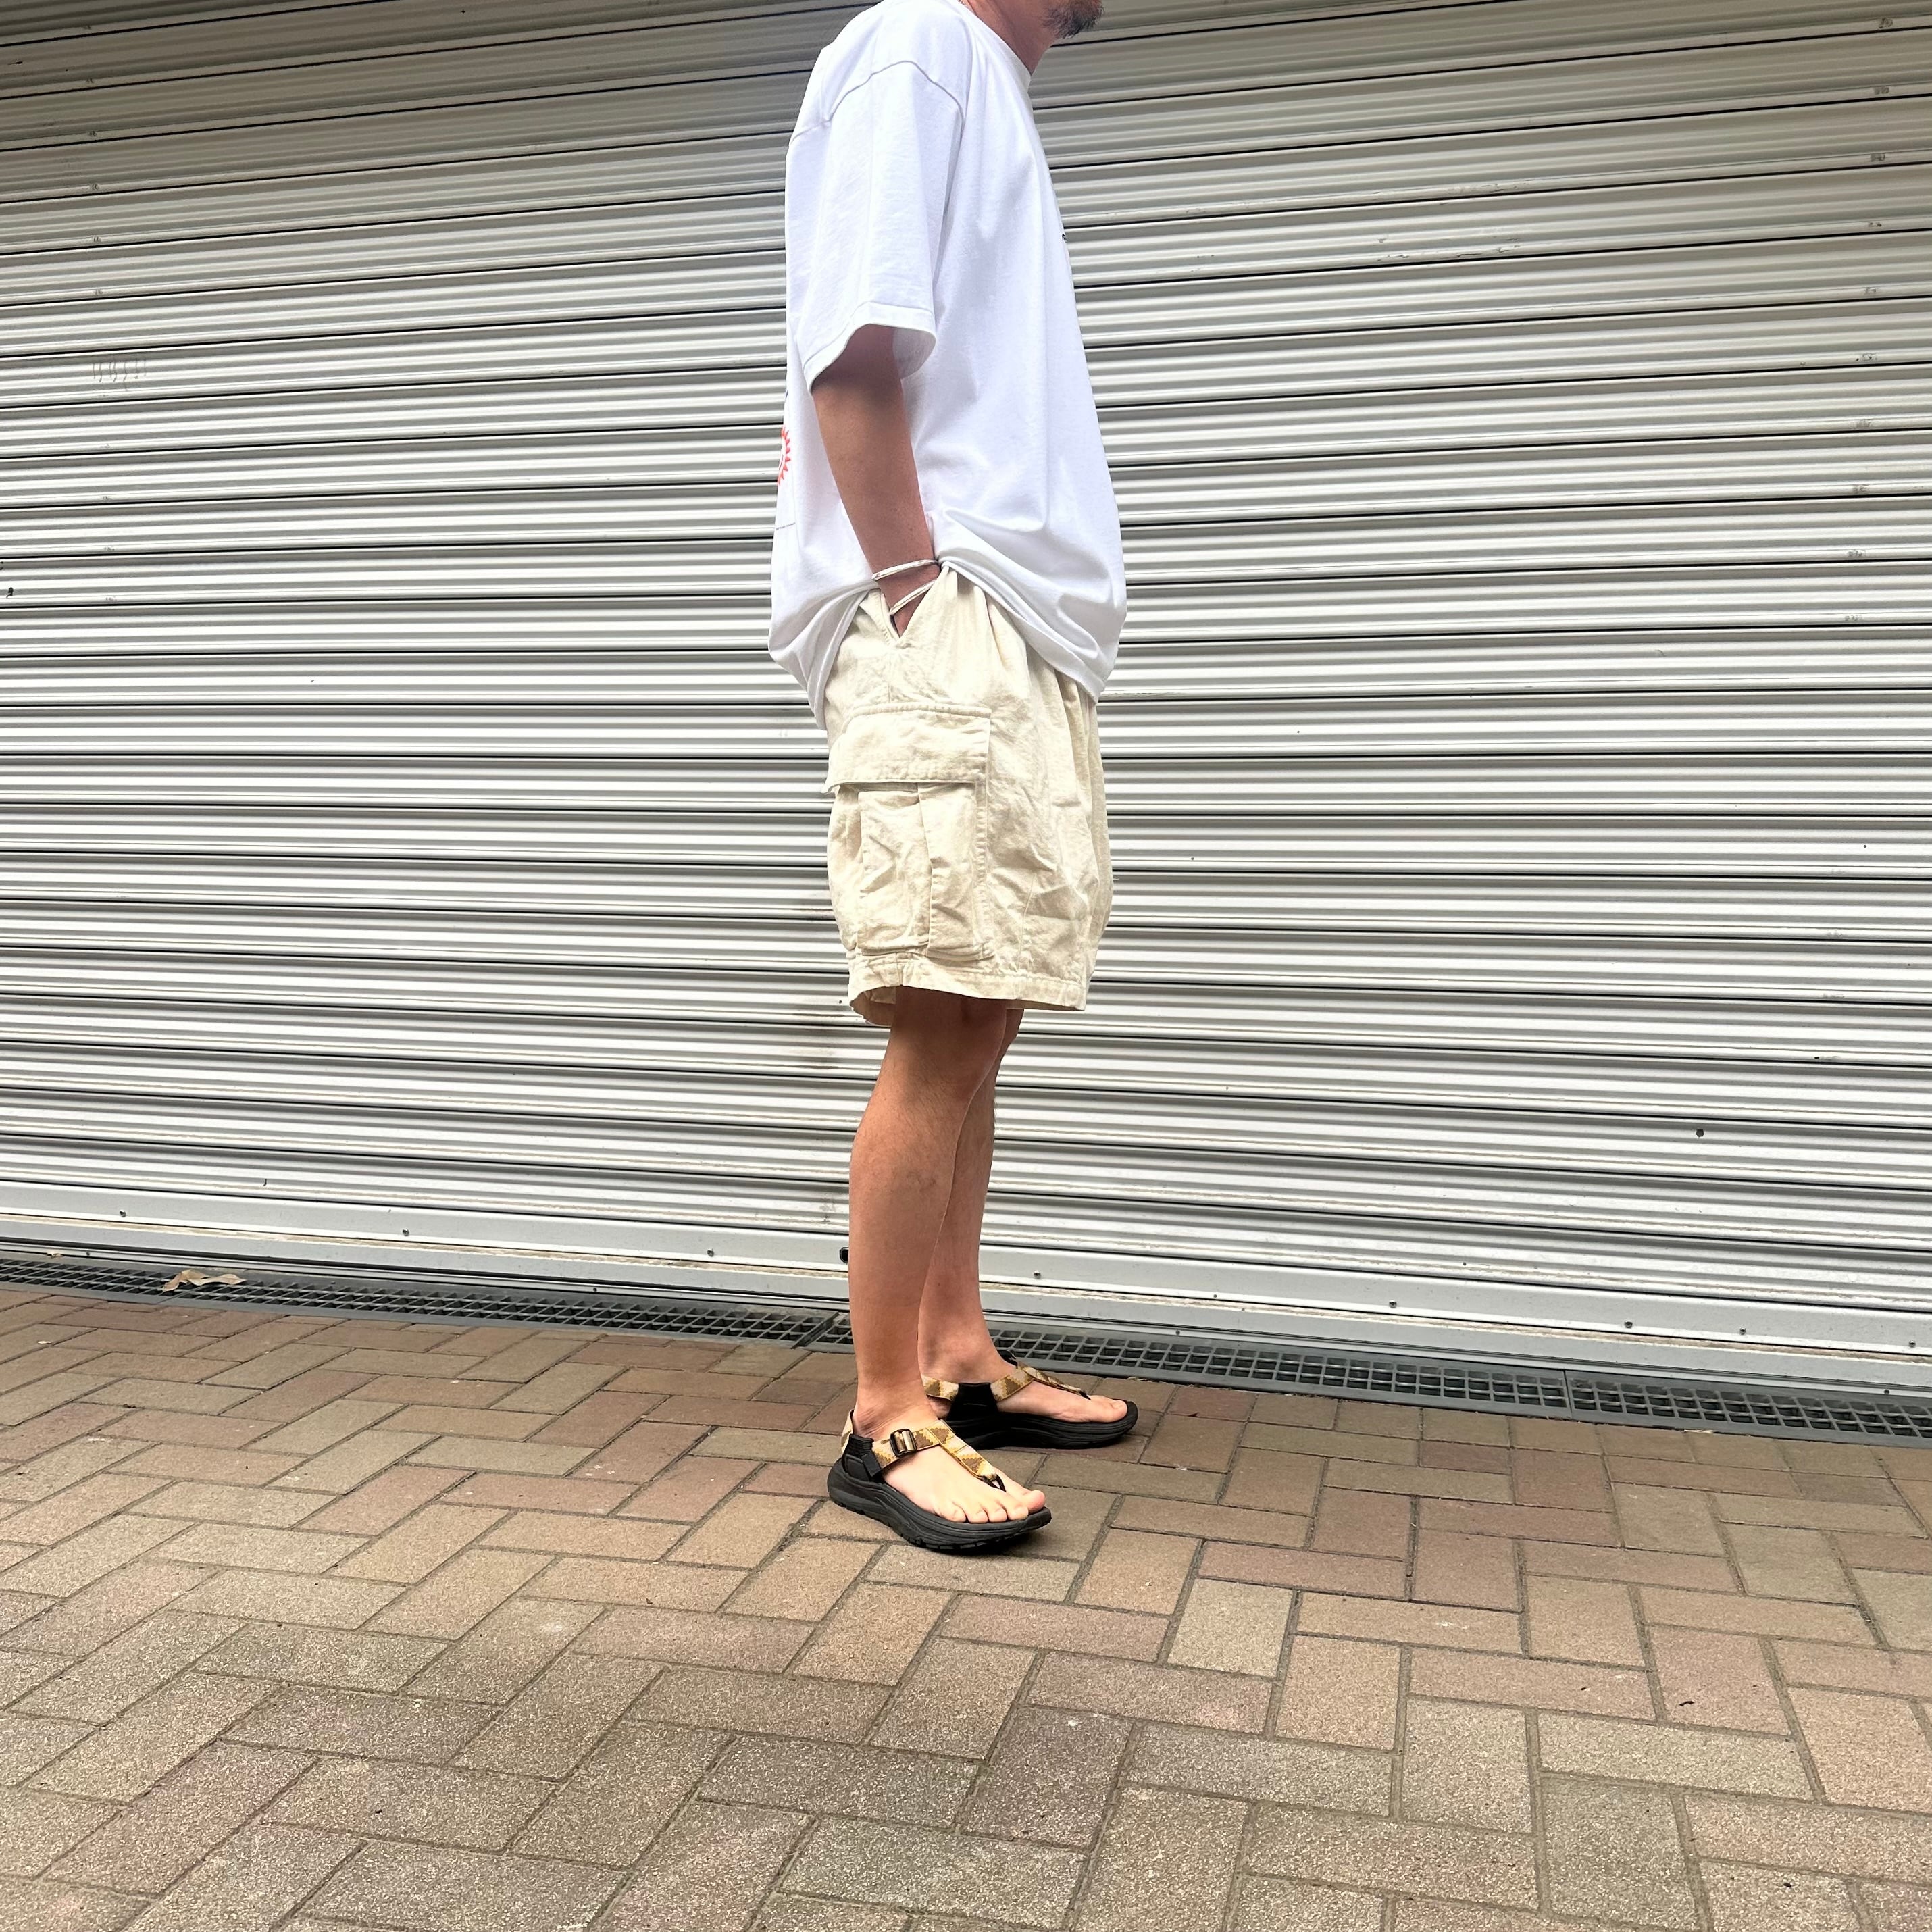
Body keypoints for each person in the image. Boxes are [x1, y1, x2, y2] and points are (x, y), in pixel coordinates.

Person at [769, 0, 1136, 1550]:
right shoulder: (917, 43)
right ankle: (882, 1418)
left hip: (1011, 618)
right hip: (954, 609)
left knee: (983, 998)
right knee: (937, 1006)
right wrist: (915, 592)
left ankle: (956, 1353)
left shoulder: (971, 74)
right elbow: (847, 359)